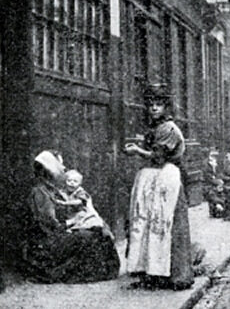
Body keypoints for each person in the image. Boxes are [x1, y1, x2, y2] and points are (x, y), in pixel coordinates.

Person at [123, 84, 194, 291]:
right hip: (154, 179)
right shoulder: (156, 127)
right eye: (151, 105)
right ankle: (151, 273)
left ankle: (173, 275)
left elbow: (158, 156)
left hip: (167, 179)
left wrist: (137, 150)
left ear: (166, 107)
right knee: (148, 225)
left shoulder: (168, 128)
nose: (154, 108)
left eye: (159, 105)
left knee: (165, 224)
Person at [21, 150, 120, 283]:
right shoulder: (40, 192)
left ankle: (100, 272)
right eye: (60, 164)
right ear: (50, 168)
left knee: (98, 231)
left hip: (55, 235)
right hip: (46, 244)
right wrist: (72, 222)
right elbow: (47, 225)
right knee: (88, 236)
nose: (63, 168)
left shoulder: (51, 188)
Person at [56, 169, 114, 239]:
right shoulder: (63, 191)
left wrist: (66, 203)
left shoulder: (80, 191)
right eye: (69, 180)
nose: (71, 183)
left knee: (83, 219)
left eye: (75, 181)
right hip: (70, 213)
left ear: (80, 184)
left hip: (81, 212)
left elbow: (79, 201)